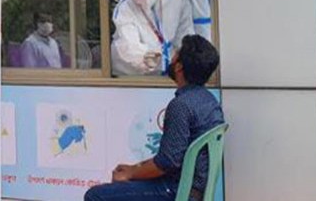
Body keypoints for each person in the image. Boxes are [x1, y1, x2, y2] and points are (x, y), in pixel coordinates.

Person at [85, 35, 225, 201]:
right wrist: (134, 168)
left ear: (179, 67)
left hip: (176, 190)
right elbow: (170, 157)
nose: (171, 58)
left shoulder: (180, 106)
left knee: (95, 195)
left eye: (175, 55)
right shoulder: (210, 101)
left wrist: (131, 173)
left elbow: (167, 162)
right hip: (193, 189)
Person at [112, 0, 194, 77]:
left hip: (172, 68)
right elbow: (129, 45)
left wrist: (185, 58)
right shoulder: (125, 8)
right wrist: (147, 58)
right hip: (134, 73)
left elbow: (184, 31)